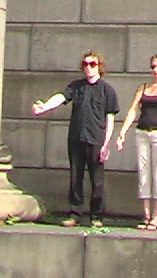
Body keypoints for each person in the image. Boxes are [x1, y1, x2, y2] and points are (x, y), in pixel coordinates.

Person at [32, 50, 119, 227]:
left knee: (97, 180)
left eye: (92, 64)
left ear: (99, 67)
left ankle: (96, 216)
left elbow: (110, 119)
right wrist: (45, 107)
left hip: (96, 139)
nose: (88, 68)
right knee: (75, 177)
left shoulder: (107, 90)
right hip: (76, 138)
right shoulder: (77, 86)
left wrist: (106, 144)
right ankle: (75, 213)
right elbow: (61, 97)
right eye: (85, 64)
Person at [116, 52, 157, 229]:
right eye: (153, 67)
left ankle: (155, 216)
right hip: (143, 132)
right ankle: (145, 215)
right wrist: (123, 132)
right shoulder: (143, 87)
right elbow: (133, 110)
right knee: (144, 173)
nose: (156, 70)